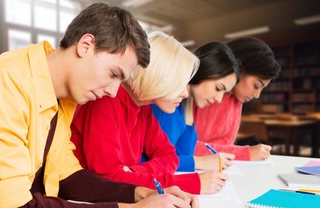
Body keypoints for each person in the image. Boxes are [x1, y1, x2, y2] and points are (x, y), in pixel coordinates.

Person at [0, 3, 199, 208]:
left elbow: (68, 177)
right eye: (113, 74)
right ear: (86, 45)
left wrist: (140, 194)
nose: (115, 92)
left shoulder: (61, 97)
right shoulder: (8, 84)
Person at [71, 31, 227, 195]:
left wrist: (133, 172)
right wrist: (184, 183)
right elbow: (109, 179)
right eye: (179, 83)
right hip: (81, 199)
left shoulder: (143, 107)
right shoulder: (104, 101)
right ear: (160, 75)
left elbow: (170, 156)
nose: (185, 93)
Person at [143, 42, 239, 192]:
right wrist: (199, 162)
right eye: (218, 88)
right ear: (204, 71)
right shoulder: (164, 103)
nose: (219, 99)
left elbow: (183, 154)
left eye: (224, 93)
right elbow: (153, 162)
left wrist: (189, 109)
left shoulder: (181, 105)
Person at [194, 37, 281, 161]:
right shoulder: (205, 93)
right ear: (239, 69)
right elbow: (186, 147)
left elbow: (225, 146)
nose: (257, 95)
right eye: (256, 85)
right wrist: (243, 153)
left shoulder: (237, 99)